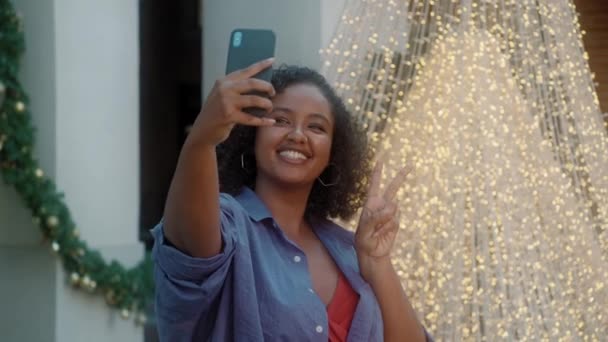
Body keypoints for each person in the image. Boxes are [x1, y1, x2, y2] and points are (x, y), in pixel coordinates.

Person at [151, 59, 432, 341]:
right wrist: (203, 138)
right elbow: (189, 237)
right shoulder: (227, 225)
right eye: (281, 120)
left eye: (316, 127)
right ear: (252, 135)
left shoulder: (348, 249)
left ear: (334, 152)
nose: (297, 135)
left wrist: (376, 263)